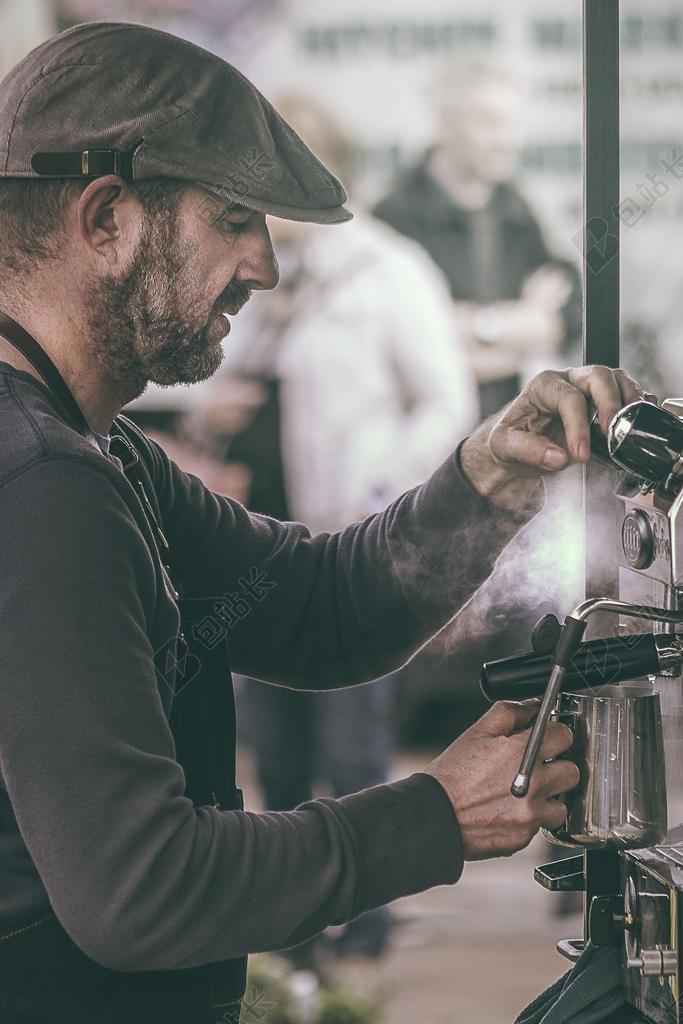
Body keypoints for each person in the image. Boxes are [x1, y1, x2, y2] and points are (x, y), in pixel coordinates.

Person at [0, 22, 642, 1024]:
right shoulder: (39, 486)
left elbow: (317, 607)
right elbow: (141, 888)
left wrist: (488, 474)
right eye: (231, 218)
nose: (263, 263)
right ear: (105, 218)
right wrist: (431, 815)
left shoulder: (101, 456)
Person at [200, 95, 476, 966]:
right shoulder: (259, 280)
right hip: (257, 550)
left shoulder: (391, 272)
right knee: (273, 757)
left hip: (345, 550)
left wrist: (376, 482)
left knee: (354, 752)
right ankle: (295, 936)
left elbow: (448, 400)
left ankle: (367, 929)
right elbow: (223, 384)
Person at [373, 59, 582, 420]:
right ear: (445, 123)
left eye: (513, 124)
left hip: (512, 433)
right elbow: (398, 348)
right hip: (423, 449)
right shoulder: (393, 218)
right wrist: (517, 327)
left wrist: (474, 328)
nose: (508, 140)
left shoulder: (516, 210)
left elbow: (567, 318)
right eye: (489, 122)